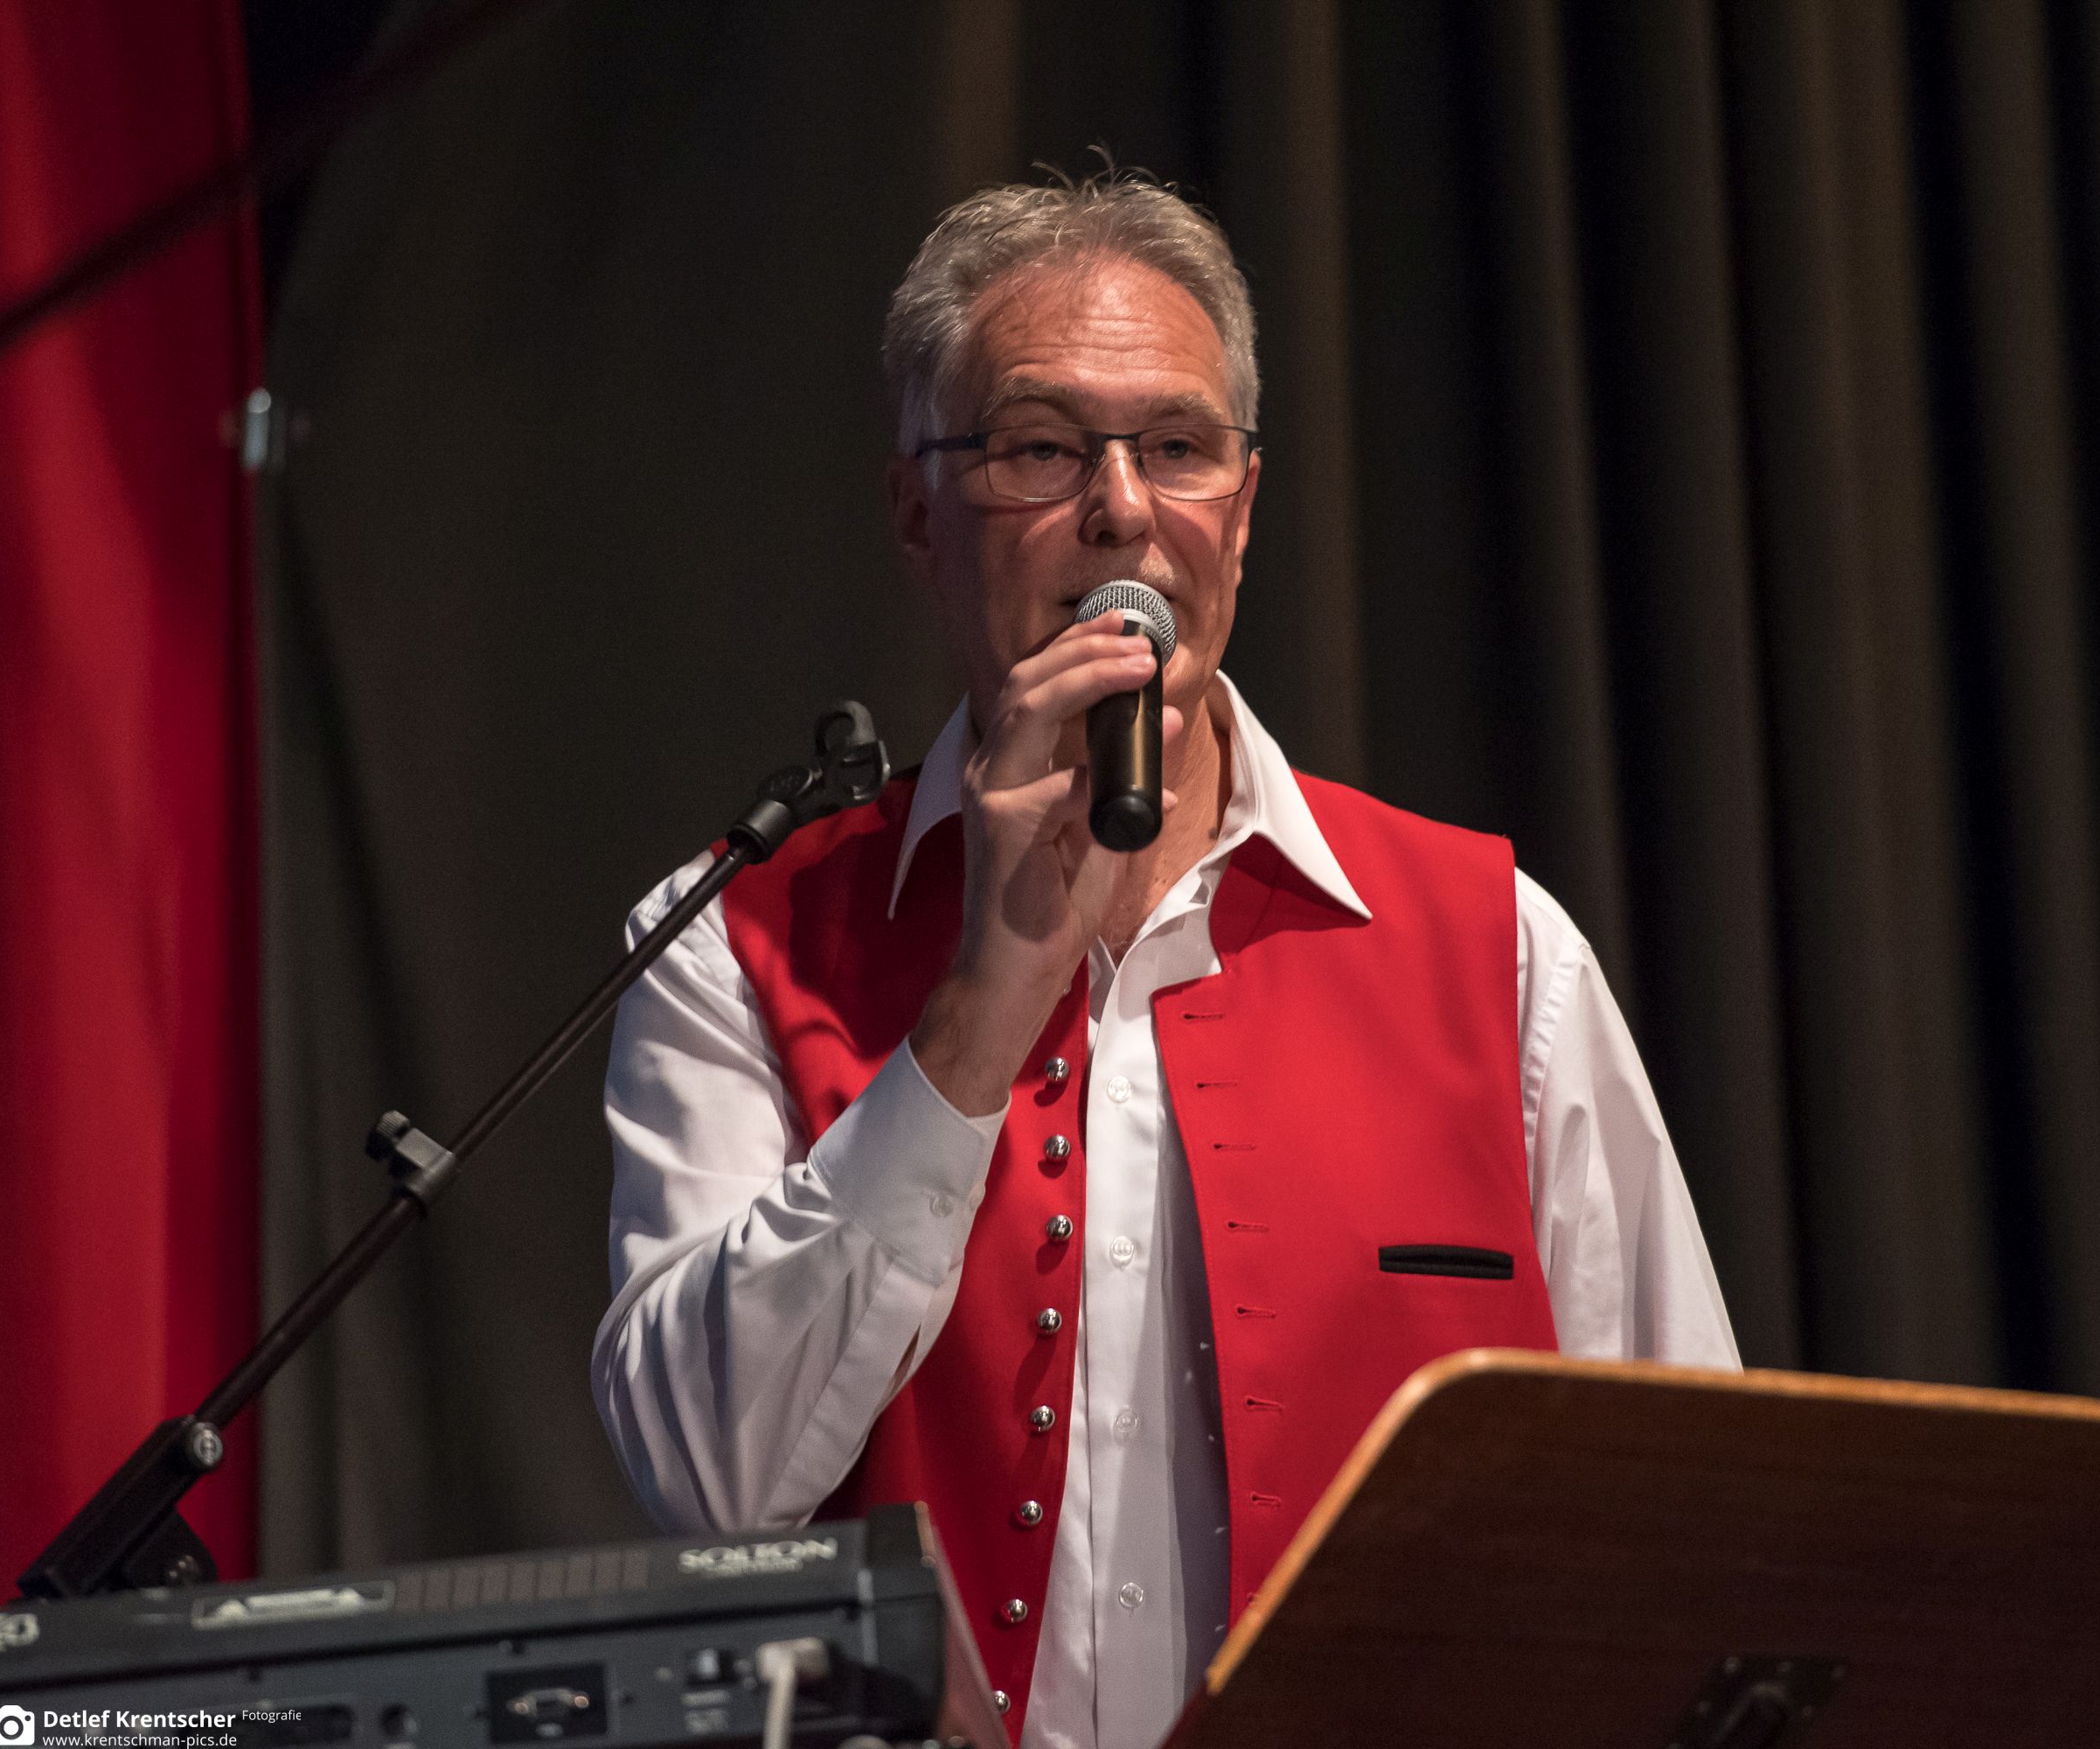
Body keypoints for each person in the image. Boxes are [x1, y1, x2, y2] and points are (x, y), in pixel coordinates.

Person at [592, 173, 1738, 1749]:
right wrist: (979, 1011)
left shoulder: (1498, 950)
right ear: (919, 515)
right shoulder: (735, 942)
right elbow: (707, 1480)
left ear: (1242, 514)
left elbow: (1688, 1509)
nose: (1122, 508)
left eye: (1178, 449)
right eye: (1041, 448)